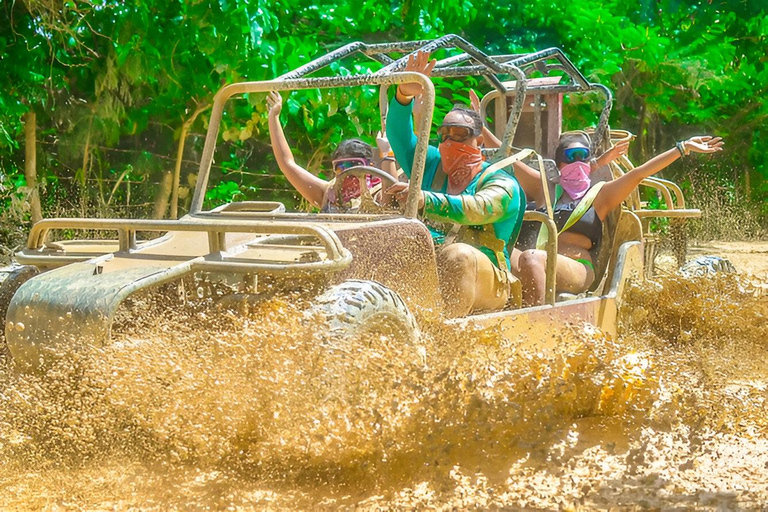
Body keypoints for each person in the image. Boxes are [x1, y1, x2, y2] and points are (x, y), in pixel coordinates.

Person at [385, 51, 526, 317]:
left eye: (460, 134)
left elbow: (478, 207)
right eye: (445, 134)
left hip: (487, 278)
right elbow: (399, 135)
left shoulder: (501, 182)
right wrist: (403, 95)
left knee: (458, 256)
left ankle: (445, 336)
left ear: (479, 141)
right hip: (429, 266)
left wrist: (425, 199)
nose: (450, 141)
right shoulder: (431, 166)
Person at [512, 130, 723, 305]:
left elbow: (640, 173)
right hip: (537, 258)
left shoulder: (601, 195)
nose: (578, 162)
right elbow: (505, 158)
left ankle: (532, 324)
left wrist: (682, 147)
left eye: (583, 156)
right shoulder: (546, 189)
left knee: (531, 258)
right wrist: (478, 125)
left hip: (576, 267)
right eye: (571, 156)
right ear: (558, 163)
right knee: (494, 251)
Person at [266, 91, 397, 211]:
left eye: (354, 167)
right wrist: (274, 117)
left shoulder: (378, 193)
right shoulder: (327, 193)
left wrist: (387, 153)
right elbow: (287, 164)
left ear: (370, 167)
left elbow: (390, 202)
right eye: (341, 168)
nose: (348, 175)